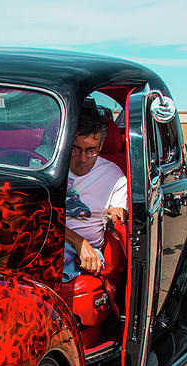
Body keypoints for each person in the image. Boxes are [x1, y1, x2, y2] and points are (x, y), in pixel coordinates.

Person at [63, 106, 128, 281]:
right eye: (76, 149)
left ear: (101, 145)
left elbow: (118, 212)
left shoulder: (115, 176)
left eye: (91, 150)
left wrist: (117, 213)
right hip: (49, 240)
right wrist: (77, 241)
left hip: (89, 251)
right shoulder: (50, 163)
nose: (83, 158)